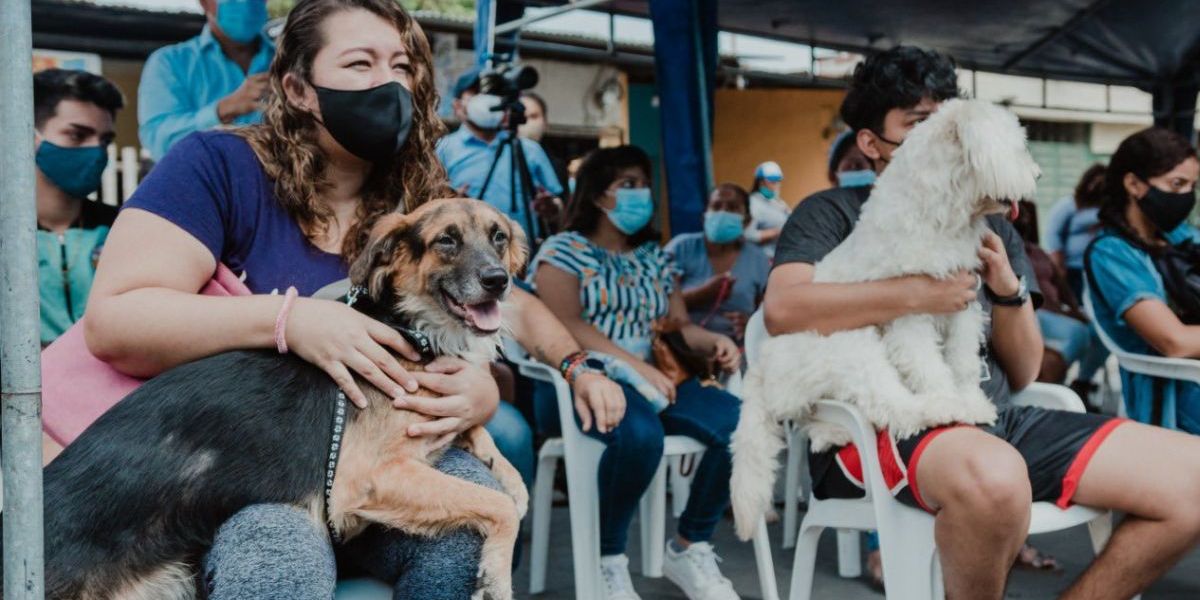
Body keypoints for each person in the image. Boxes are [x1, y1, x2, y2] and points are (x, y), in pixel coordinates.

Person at [80, 0, 623, 596]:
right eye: (360, 63)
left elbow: (501, 296)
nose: (387, 82)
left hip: (381, 444)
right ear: (299, 88)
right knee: (276, 557)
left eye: (402, 65)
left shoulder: (421, 193)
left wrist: (500, 382)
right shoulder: (217, 165)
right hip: (252, 466)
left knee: (466, 534)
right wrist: (291, 320)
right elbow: (116, 321)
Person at [765, 46, 1200, 600]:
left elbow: (1022, 372)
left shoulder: (990, 221)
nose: (946, 139)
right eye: (922, 124)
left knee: (1192, 478)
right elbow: (783, 310)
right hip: (883, 424)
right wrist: (916, 293)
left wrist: (1009, 291)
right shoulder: (830, 213)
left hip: (995, 420)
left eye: (951, 123)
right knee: (993, 476)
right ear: (871, 144)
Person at [529, 145, 743, 600]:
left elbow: (679, 324)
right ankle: (609, 560)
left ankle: (690, 545)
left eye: (643, 183)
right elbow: (565, 322)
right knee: (640, 437)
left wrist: (716, 342)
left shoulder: (653, 255)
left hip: (658, 378)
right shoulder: (562, 251)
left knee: (744, 424)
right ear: (596, 194)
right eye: (627, 184)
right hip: (585, 380)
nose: (640, 193)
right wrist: (630, 364)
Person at [1085, 127, 1200, 433]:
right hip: (1177, 393)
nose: (1187, 197)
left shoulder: (1180, 237)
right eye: (1177, 185)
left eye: (1192, 186)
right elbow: (1173, 342)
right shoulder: (1111, 254)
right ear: (1134, 184)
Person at [33, 69, 124, 347]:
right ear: (29, 135)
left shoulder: (125, 226)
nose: (96, 151)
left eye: (105, 140)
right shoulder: (7, 233)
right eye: (77, 135)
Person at [437, 68, 564, 242]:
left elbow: (558, 206)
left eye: (493, 93)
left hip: (520, 255)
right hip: (465, 256)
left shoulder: (529, 150)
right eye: (477, 92)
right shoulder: (443, 149)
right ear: (457, 106)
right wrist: (447, 202)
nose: (487, 98)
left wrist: (552, 207)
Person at [138, 0, 274, 160]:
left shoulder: (292, 61)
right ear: (205, 3)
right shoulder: (170, 63)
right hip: (200, 183)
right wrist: (222, 110)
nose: (246, 3)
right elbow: (159, 142)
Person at [666, 183, 769, 345]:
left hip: (739, 352)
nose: (723, 213)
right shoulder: (681, 248)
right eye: (716, 206)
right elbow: (657, 305)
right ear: (704, 215)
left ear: (747, 220)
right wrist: (702, 294)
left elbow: (769, 312)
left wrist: (752, 324)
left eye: (732, 208)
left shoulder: (758, 259)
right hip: (684, 350)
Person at [1012, 200, 1097, 392]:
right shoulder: (1010, 255)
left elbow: (1062, 286)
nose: (1024, 220)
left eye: (1027, 217)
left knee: (1094, 332)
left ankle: (1082, 381)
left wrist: (1074, 309)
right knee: (1078, 332)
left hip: (1056, 310)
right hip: (1035, 310)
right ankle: (1051, 379)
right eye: (1021, 216)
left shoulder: (1039, 253)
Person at [1047, 164, 1108, 297]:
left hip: (1099, 268)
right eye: (1094, 182)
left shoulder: (1107, 208)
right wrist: (1059, 266)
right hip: (1073, 268)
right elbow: (1054, 234)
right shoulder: (1069, 205)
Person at [744, 160, 789, 258]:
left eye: (778, 181)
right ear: (760, 182)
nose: (777, 185)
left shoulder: (777, 202)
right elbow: (748, 235)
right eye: (773, 181)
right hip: (765, 259)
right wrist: (776, 232)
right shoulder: (753, 204)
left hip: (781, 256)